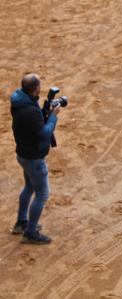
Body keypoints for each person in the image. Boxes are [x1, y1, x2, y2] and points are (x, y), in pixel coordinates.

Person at [10, 74, 61, 244]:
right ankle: (30, 232)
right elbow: (45, 132)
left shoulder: (20, 101)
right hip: (34, 159)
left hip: (23, 155)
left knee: (29, 187)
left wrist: (44, 111)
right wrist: (53, 115)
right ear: (35, 88)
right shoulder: (30, 111)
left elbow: (33, 122)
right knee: (42, 194)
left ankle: (21, 222)